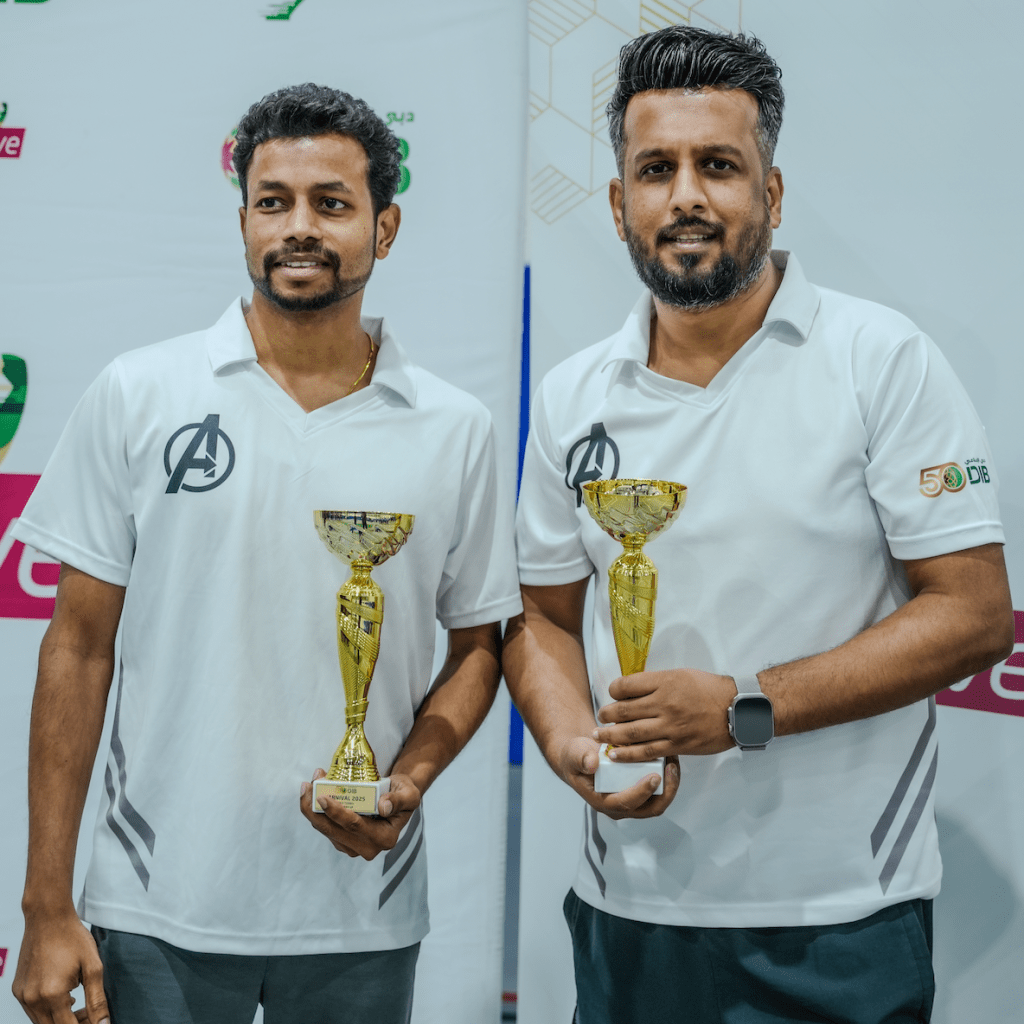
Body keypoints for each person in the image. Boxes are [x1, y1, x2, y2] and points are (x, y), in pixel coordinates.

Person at [504, 25, 1013, 1024]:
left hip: (840, 917)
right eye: (656, 169)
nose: (685, 196)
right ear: (617, 203)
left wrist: (746, 707)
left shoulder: (881, 361)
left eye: (719, 165)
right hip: (628, 911)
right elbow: (542, 616)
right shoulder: (572, 396)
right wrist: (573, 748)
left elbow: (972, 614)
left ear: (770, 195)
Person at [12, 83, 522, 1024]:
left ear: (386, 226)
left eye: (332, 203)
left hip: (361, 905)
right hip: (157, 898)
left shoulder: (455, 429)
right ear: (243, 219)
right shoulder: (139, 394)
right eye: (273, 201)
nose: (299, 228)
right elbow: (76, 650)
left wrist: (408, 777)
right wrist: (46, 903)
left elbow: (479, 648)